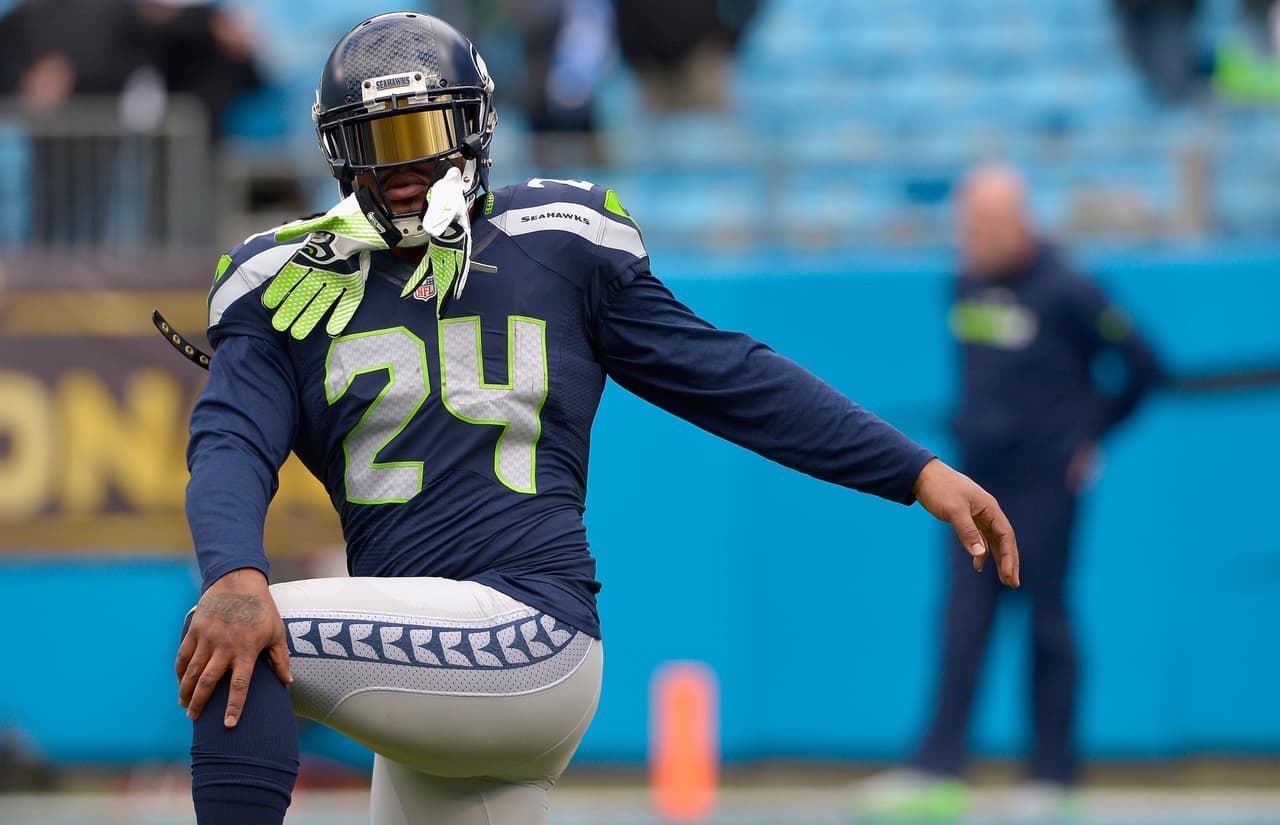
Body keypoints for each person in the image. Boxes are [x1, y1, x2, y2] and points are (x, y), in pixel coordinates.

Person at [176, 13, 1020, 825]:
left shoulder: (557, 243)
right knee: (238, 604)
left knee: (242, 633)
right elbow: (231, 442)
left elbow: (727, 375)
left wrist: (913, 470)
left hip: (529, 627)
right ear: (337, 153)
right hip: (431, 669)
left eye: (425, 133)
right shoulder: (288, 283)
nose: (404, 167)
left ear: (474, 129)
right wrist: (232, 565)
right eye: (377, 141)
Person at [852, 165, 1163, 821]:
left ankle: (1053, 775)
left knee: (1046, 622)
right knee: (961, 624)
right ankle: (938, 769)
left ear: (1022, 220)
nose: (971, 237)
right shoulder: (964, 282)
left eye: (985, 225)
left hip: (1046, 486)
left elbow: (1144, 367)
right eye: (965, 224)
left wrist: (1089, 437)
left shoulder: (1070, 288)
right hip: (975, 484)